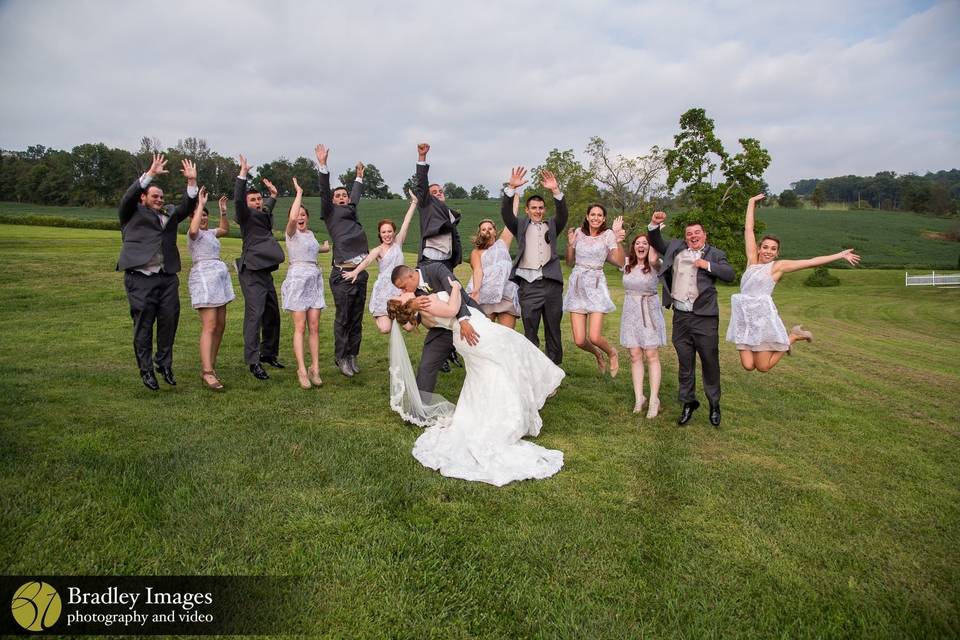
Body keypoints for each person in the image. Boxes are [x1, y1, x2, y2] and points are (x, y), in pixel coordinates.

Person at [387, 276, 565, 487]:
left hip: (467, 335)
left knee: (491, 375)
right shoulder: (426, 303)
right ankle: (522, 405)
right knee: (512, 352)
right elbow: (454, 310)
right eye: (399, 295)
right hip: (473, 332)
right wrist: (454, 286)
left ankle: (500, 413)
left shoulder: (423, 310)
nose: (400, 292)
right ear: (407, 303)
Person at [727, 193, 861, 372]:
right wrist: (751, 202)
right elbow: (748, 229)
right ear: (759, 248)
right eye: (765, 247)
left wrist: (840, 255)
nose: (768, 251)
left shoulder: (778, 267)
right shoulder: (751, 261)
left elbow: (812, 261)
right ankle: (791, 338)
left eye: (773, 249)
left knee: (763, 368)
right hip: (744, 317)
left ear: (777, 253)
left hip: (762, 319)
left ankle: (793, 337)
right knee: (748, 365)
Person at [117, 153, 198, 390]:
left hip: (167, 277)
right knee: (144, 325)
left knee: (169, 321)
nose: (159, 200)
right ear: (143, 198)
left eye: (162, 197)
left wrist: (191, 183)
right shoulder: (131, 212)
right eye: (155, 196)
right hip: (140, 278)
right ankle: (146, 369)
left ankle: (164, 364)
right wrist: (150, 174)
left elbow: (187, 206)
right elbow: (127, 198)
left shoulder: (169, 215)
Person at [648, 211, 736, 427]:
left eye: (697, 233)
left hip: (704, 318)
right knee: (685, 364)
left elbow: (729, 274)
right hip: (680, 317)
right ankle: (688, 402)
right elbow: (657, 241)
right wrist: (653, 224)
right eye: (689, 234)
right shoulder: (677, 250)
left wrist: (707, 266)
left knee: (709, 362)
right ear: (685, 237)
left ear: (705, 235)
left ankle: (714, 404)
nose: (693, 236)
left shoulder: (714, 254)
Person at [501, 166, 568, 364]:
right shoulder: (520, 226)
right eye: (534, 208)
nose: (538, 211)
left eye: (540, 208)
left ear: (544, 210)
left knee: (553, 330)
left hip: (551, 285)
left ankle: (553, 370)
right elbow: (506, 213)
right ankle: (533, 369)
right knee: (530, 330)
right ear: (527, 210)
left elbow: (563, 214)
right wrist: (511, 188)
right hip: (529, 286)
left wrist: (556, 191)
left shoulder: (552, 226)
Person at [314, 144, 368, 378]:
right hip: (343, 274)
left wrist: (358, 178)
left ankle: (353, 355)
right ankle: (341, 357)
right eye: (338, 196)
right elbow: (325, 192)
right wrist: (323, 165)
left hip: (361, 272)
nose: (342, 197)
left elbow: (355, 196)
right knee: (344, 318)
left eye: (344, 195)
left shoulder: (352, 209)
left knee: (356, 319)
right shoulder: (330, 212)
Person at [391, 263, 480, 397]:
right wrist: (410, 308)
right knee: (426, 366)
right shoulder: (411, 296)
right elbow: (410, 325)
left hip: (469, 319)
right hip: (442, 330)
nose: (403, 291)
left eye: (403, 287)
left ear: (410, 276)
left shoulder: (436, 269)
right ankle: (419, 410)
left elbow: (455, 292)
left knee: (482, 360)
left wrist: (463, 321)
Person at [235, 154, 285, 380]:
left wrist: (273, 195)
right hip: (251, 270)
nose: (257, 202)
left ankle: (268, 354)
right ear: (246, 204)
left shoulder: (263, 215)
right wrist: (242, 175)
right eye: (253, 199)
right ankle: (253, 361)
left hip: (265, 271)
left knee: (272, 314)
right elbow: (238, 199)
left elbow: (267, 209)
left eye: (258, 199)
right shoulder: (245, 216)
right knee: (255, 316)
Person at [341, 190, 419, 334]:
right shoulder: (378, 250)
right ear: (380, 234)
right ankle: (379, 315)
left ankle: (402, 314)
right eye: (384, 232)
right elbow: (367, 261)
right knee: (385, 329)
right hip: (384, 289)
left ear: (394, 232)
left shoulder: (398, 243)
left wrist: (414, 202)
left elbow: (406, 222)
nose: (387, 234)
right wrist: (355, 272)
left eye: (389, 231)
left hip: (400, 287)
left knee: (409, 327)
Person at [564, 204, 626, 376]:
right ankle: (597, 354)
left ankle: (612, 352)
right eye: (593, 214)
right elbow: (569, 262)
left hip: (596, 285)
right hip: (577, 286)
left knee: (595, 337)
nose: (596, 217)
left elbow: (620, 262)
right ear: (587, 215)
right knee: (579, 340)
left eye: (600, 215)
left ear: (604, 218)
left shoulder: (608, 235)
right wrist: (570, 245)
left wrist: (618, 241)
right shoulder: (578, 233)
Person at [281, 178, 331, 389]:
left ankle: (315, 368)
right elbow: (292, 217)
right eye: (298, 215)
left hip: (314, 280)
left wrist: (325, 248)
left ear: (308, 218)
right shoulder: (290, 233)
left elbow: (314, 249)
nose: (300, 217)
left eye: (304, 215)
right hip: (297, 280)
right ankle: (301, 369)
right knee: (300, 326)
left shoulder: (310, 235)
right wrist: (299, 193)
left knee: (315, 326)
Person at [186, 189, 235, 391]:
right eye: (200, 215)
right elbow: (194, 229)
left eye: (205, 214)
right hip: (204, 277)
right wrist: (199, 204)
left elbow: (225, 230)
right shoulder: (193, 234)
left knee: (220, 325)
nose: (204, 218)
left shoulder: (211, 233)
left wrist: (222, 211)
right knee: (210, 324)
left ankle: (210, 367)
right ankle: (207, 372)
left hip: (219, 276)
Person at [619, 233, 666, 418]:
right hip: (630, 311)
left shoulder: (655, 264)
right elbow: (616, 254)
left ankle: (654, 399)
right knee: (634, 355)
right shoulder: (628, 264)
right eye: (637, 243)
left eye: (645, 243)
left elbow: (654, 258)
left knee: (651, 354)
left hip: (649, 310)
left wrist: (653, 234)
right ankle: (640, 397)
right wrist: (616, 238)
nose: (641, 246)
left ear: (650, 246)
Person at [466, 214, 519, 328]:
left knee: (507, 334)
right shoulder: (476, 252)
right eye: (483, 229)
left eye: (490, 228)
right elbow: (477, 271)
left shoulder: (503, 244)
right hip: (485, 295)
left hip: (505, 294)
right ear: (480, 233)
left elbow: (511, 217)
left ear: (495, 231)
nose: (487, 231)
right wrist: (476, 291)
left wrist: (515, 197)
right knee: (486, 335)